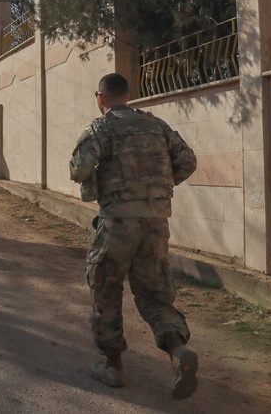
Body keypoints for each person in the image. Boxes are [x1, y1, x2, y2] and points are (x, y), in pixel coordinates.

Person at [69, 73, 199, 399]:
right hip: (156, 223)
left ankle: (113, 366)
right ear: (128, 94)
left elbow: (79, 168)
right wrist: (155, 192)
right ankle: (177, 350)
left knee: (105, 286)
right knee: (155, 294)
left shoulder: (102, 127)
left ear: (101, 98)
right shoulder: (157, 125)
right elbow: (187, 161)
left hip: (118, 224)